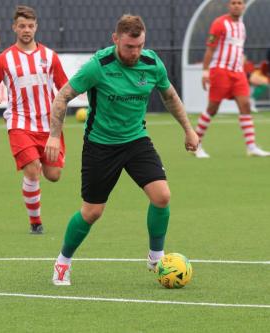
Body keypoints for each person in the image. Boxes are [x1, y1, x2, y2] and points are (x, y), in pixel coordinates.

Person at [45, 15, 199, 285]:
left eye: (139, 46)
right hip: (100, 145)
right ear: (115, 39)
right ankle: (63, 261)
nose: (135, 52)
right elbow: (62, 96)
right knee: (92, 212)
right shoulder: (98, 65)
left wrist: (188, 129)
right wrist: (54, 136)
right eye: (129, 47)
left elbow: (170, 96)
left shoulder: (151, 63)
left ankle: (155, 256)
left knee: (162, 196)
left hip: (136, 140)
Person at [0, 6, 68, 234]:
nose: (26, 30)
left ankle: (35, 212)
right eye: (22, 26)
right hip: (19, 124)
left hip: (48, 125)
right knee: (32, 169)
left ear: (36, 27)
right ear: (14, 28)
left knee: (53, 175)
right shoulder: (5, 59)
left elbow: (65, 88)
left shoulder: (50, 57)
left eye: (30, 26)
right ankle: (35, 222)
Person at [194, 0, 269, 158]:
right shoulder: (219, 23)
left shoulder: (242, 26)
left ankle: (251, 147)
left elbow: (237, 50)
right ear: (229, 6)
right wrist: (205, 71)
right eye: (233, 2)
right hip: (220, 71)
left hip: (238, 72)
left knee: (246, 105)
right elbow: (210, 49)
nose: (236, 5)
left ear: (243, 6)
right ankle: (196, 145)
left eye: (239, 3)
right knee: (212, 108)